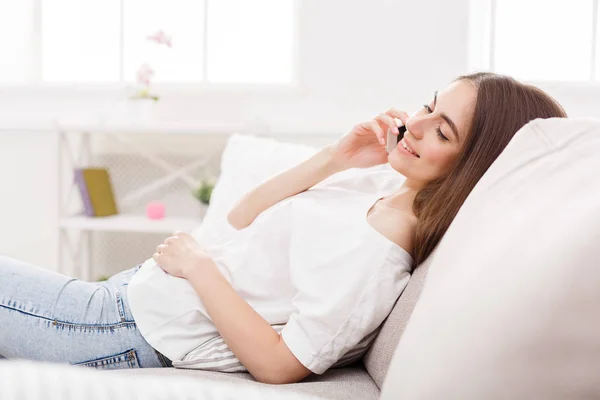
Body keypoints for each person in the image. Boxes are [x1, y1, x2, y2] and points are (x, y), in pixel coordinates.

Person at [0, 72, 567, 384]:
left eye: (441, 132)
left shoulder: (381, 253)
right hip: (133, 298)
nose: (413, 126)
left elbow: (280, 363)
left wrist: (199, 268)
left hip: (127, 331)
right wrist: (335, 158)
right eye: (427, 105)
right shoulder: (385, 191)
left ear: (474, 164)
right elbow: (243, 217)